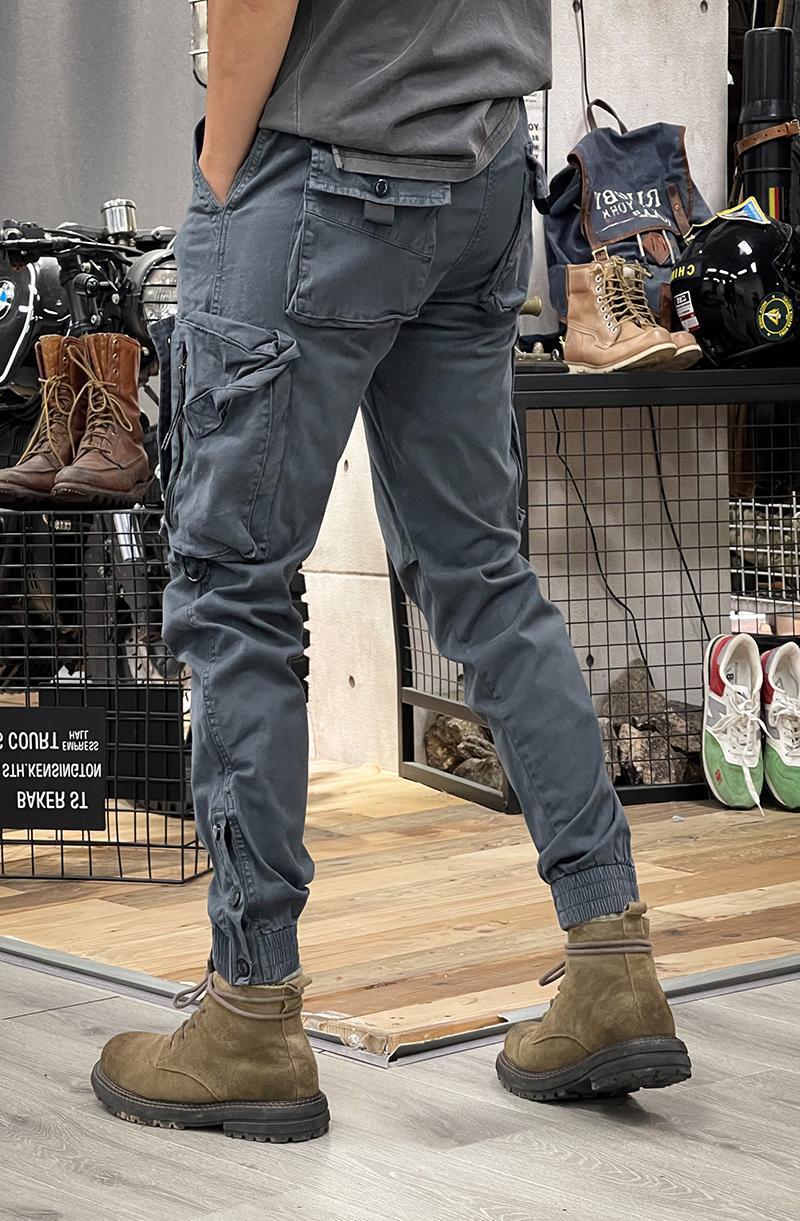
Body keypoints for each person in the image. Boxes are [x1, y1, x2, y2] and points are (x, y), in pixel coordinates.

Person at [90, 0, 691, 1141]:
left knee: (234, 589)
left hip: (323, 161)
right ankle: (611, 956)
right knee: (484, 575)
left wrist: (222, 175)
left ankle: (249, 1014)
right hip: (482, 166)